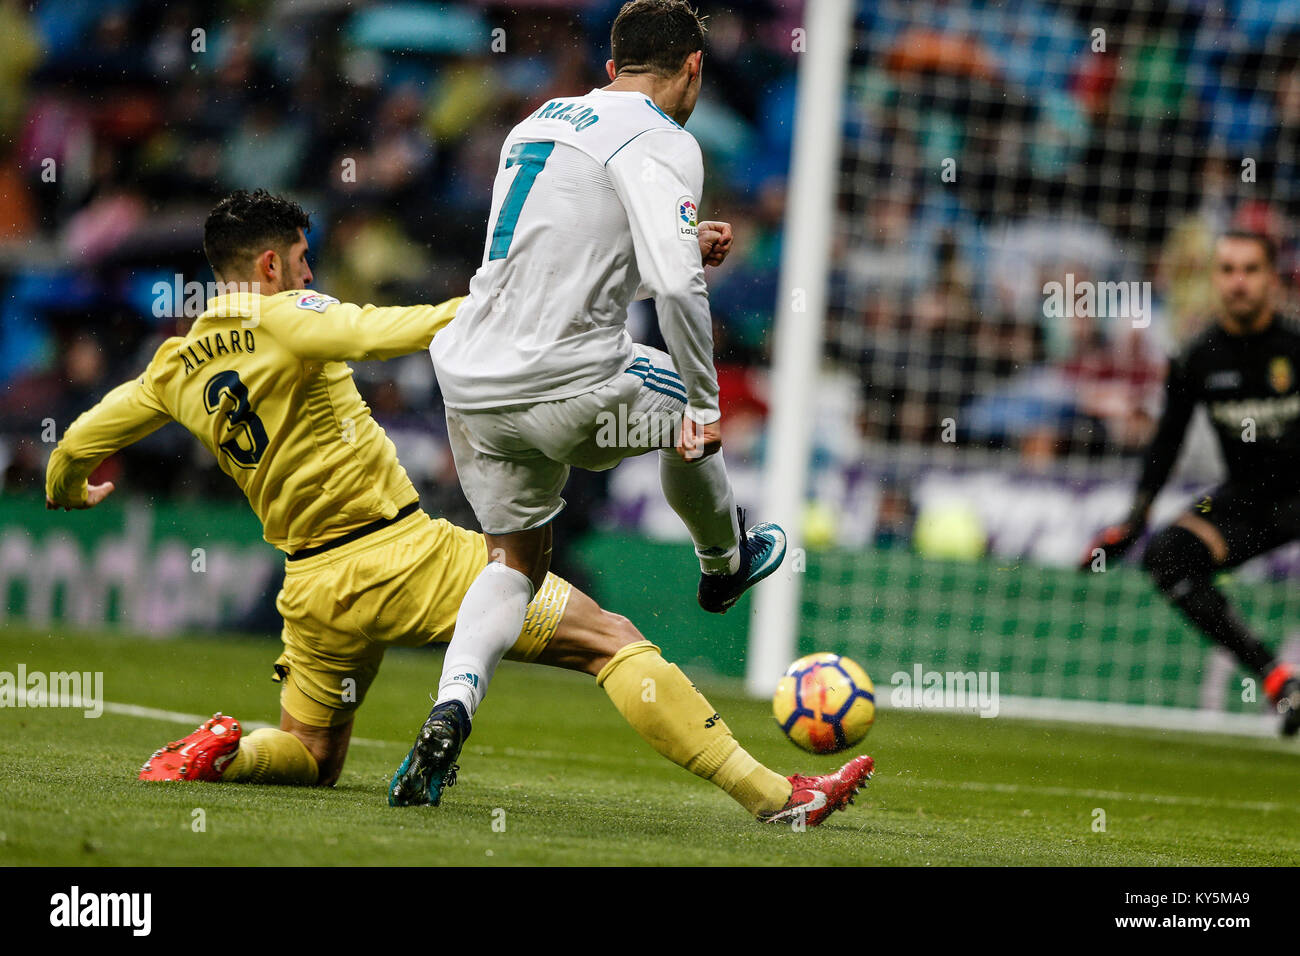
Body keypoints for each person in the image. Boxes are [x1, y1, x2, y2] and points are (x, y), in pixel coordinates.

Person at [44, 188, 872, 825]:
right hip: (399, 556)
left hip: (309, 588)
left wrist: (65, 486)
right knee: (611, 642)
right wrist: (539, 306)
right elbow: (400, 329)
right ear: (266, 267)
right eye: (301, 259)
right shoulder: (289, 317)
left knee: (308, 752)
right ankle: (776, 795)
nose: (309, 273)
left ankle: (223, 752)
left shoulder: (173, 364)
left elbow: (81, 436)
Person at [394, 0, 787, 808]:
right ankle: (725, 563)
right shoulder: (668, 141)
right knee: (688, 417)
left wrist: (671, 251)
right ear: (693, 70)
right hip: (571, 384)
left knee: (514, 565)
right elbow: (678, 286)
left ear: (610, 69)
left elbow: (558, 265)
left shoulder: (536, 122)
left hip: (472, 381)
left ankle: (448, 710)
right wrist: (706, 398)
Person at [1083, 230, 1300, 734]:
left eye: (1250, 269)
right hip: (1248, 501)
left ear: (1271, 279)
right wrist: (1134, 520)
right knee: (1168, 556)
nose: (1238, 282)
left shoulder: (1294, 347)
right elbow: (1166, 443)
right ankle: (1277, 681)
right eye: (1227, 270)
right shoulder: (1197, 357)